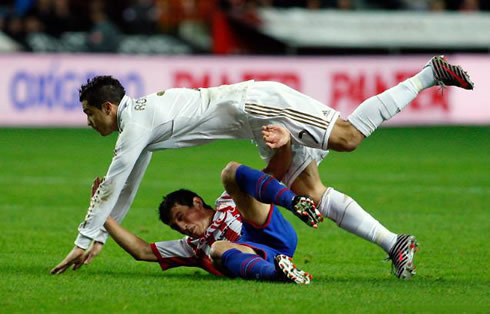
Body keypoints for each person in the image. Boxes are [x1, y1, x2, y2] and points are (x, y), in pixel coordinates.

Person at [51, 55, 473, 279]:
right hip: (250, 117)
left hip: (255, 104)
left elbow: (114, 181)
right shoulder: (137, 124)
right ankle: (395, 244)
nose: (89, 123)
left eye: (90, 114)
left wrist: (85, 237)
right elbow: (126, 183)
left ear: (109, 107)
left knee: (347, 137)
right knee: (310, 191)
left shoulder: (134, 124)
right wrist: (99, 240)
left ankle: (427, 75)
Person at [70, 136, 317, 284]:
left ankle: (296, 203)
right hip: (259, 255)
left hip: (273, 233)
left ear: (197, 203)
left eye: (180, 217)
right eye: (175, 226)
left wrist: (284, 142)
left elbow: (273, 173)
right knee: (217, 248)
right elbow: (142, 251)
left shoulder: (227, 200)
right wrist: (103, 214)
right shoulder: (193, 246)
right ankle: (279, 273)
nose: (181, 226)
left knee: (230, 172)